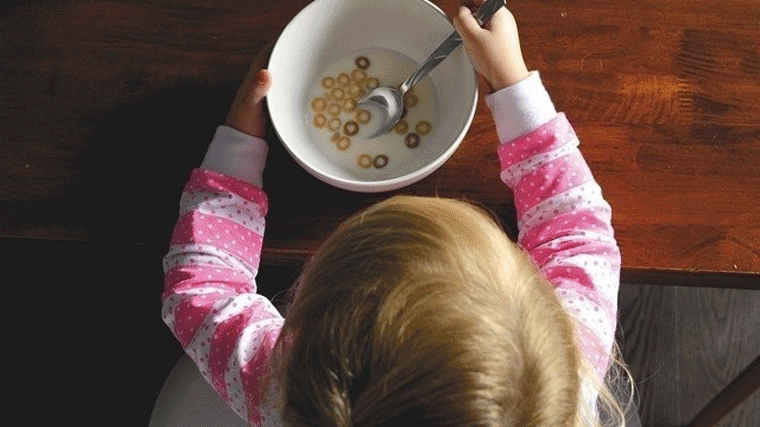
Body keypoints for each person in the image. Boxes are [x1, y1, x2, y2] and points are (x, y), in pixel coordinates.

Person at [161, 0, 639, 425]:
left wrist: (238, 144)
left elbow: (202, 290)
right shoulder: (566, 370)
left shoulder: (283, 387)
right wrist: (513, 83)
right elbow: (576, 230)